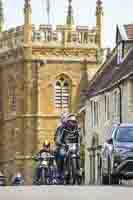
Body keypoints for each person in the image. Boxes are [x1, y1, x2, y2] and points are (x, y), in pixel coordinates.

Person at [54, 113, 81, 181]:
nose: (73, 123)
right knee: (61, 154)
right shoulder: (62, 128)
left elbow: (80, 136)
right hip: (64, 145)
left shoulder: (77, 128)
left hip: (74, 145)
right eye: (71, 121)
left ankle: (79, 170)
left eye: (74, 121)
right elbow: (58, 137)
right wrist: (60, 143)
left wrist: (80, 142)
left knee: (78, 155)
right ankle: (60, 172)